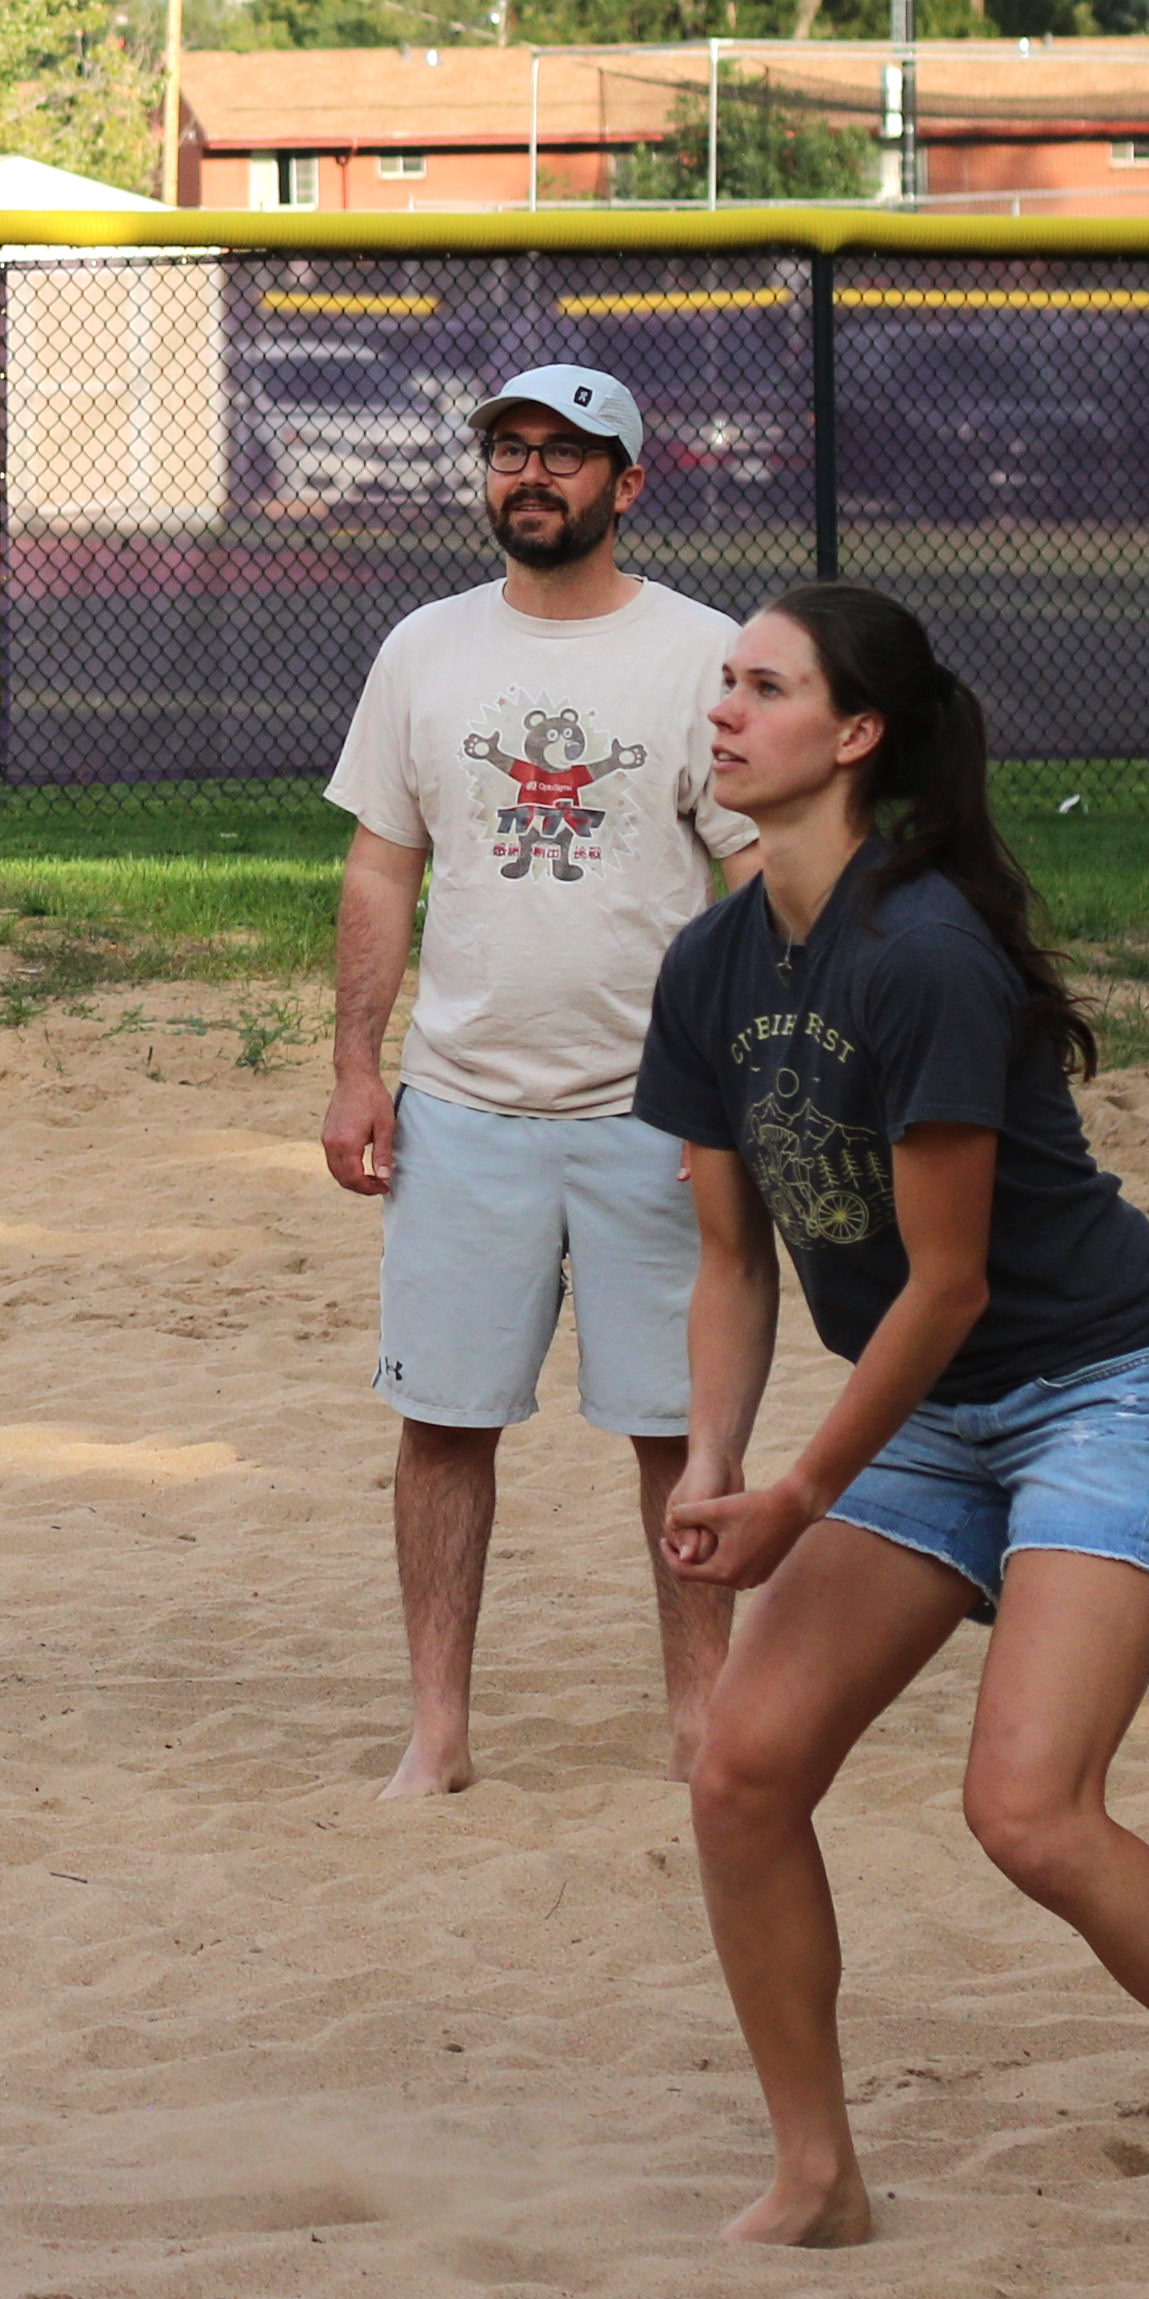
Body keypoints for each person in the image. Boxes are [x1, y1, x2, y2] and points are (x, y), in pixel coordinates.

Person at [651, 582, 1149, 2281]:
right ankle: (821, 2171)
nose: (723, 712)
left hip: (1100, 1389)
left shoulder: (923, 952)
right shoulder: (709, 963)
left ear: (853, 738)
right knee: (744, 1770)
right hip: (929, 1419)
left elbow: (947, 1288)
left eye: (761, 688)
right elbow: (726, 1259)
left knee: (1030, 1809)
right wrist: (713, 1464)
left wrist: (802, 1490)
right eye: (724, 684)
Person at [315, 362, 760, 1797]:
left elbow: (756, 876)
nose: (532, 476)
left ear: (631, 483)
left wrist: (753, 1085)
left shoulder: (705, 654)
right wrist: (355, 1070)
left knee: (677, 1431)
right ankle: (437, 1730)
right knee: (442, 1422)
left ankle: (704, 1721)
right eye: (509, 451)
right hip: (463, 1107)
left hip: (661, 1114)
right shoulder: (425, 652)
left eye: (567, 455)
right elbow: (384, 861)